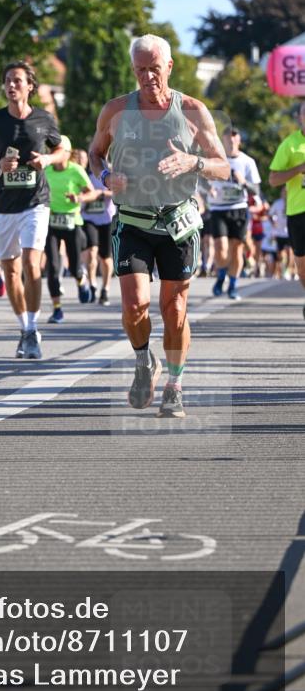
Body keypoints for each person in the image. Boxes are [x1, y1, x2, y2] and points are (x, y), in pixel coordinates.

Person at [89, 33, 229, 418]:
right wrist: (104, 177)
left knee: (175, 307)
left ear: (169, 67)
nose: (148, 77)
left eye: (155, 69)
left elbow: (222, 165)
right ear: (133, 70)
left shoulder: (193, 111)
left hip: (177, 222)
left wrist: (193, 163)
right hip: (132, 220)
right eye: (140, 70)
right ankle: (142, 361)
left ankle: (174, 384)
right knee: (136, 306)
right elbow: (95, 155)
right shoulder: (116, 111)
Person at [0, 61, 67, 359]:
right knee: (10, 270)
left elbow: (63, 150)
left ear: (30, 86)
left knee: (32, 264)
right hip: (5, 205)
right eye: (7, 80)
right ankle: (23, 326)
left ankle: (33, 328)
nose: (11, 85)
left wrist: (46, 161)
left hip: (36, 201)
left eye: (18, 80)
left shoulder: (43, 119)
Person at [43, 135, 97, 323]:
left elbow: (91, 193)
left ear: (67, 153)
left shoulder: (76, 170)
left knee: (74, 267)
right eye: (52, 151)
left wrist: (79, 198)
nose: (54, 155)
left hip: (71, 222)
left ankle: (81, 281)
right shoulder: (46, 170)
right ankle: (57, 309)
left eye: (58, 151)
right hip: (51, 222)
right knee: (53, 266)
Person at [207, 128, 262, 301]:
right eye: (227, 140)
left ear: (238, 141)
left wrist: (244, 181)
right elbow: (200, 181)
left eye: (234, 140)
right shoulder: (215, 159)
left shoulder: (247, 162)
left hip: (239, 208)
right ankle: (221, 276)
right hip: (218, 209)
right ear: (223, 141)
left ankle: (232, 285)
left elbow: (256, 190)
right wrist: (208, 189)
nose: (231, 143)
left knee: (237, 249)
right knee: (221, 249)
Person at [269, 101, 305, 318]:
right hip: (297, 213)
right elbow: (273, 179)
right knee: (301, 267)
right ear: (300, 117)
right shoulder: (290, 145)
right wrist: (299, 168)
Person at [81, 167, 116, 306]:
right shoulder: (85, 174)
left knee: (106, 258)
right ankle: (92, 285)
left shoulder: (112, 173)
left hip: (106, 219)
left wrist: (101, 193)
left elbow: (119, 193)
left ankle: (105, 289)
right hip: (88, 217)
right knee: (91, 253)